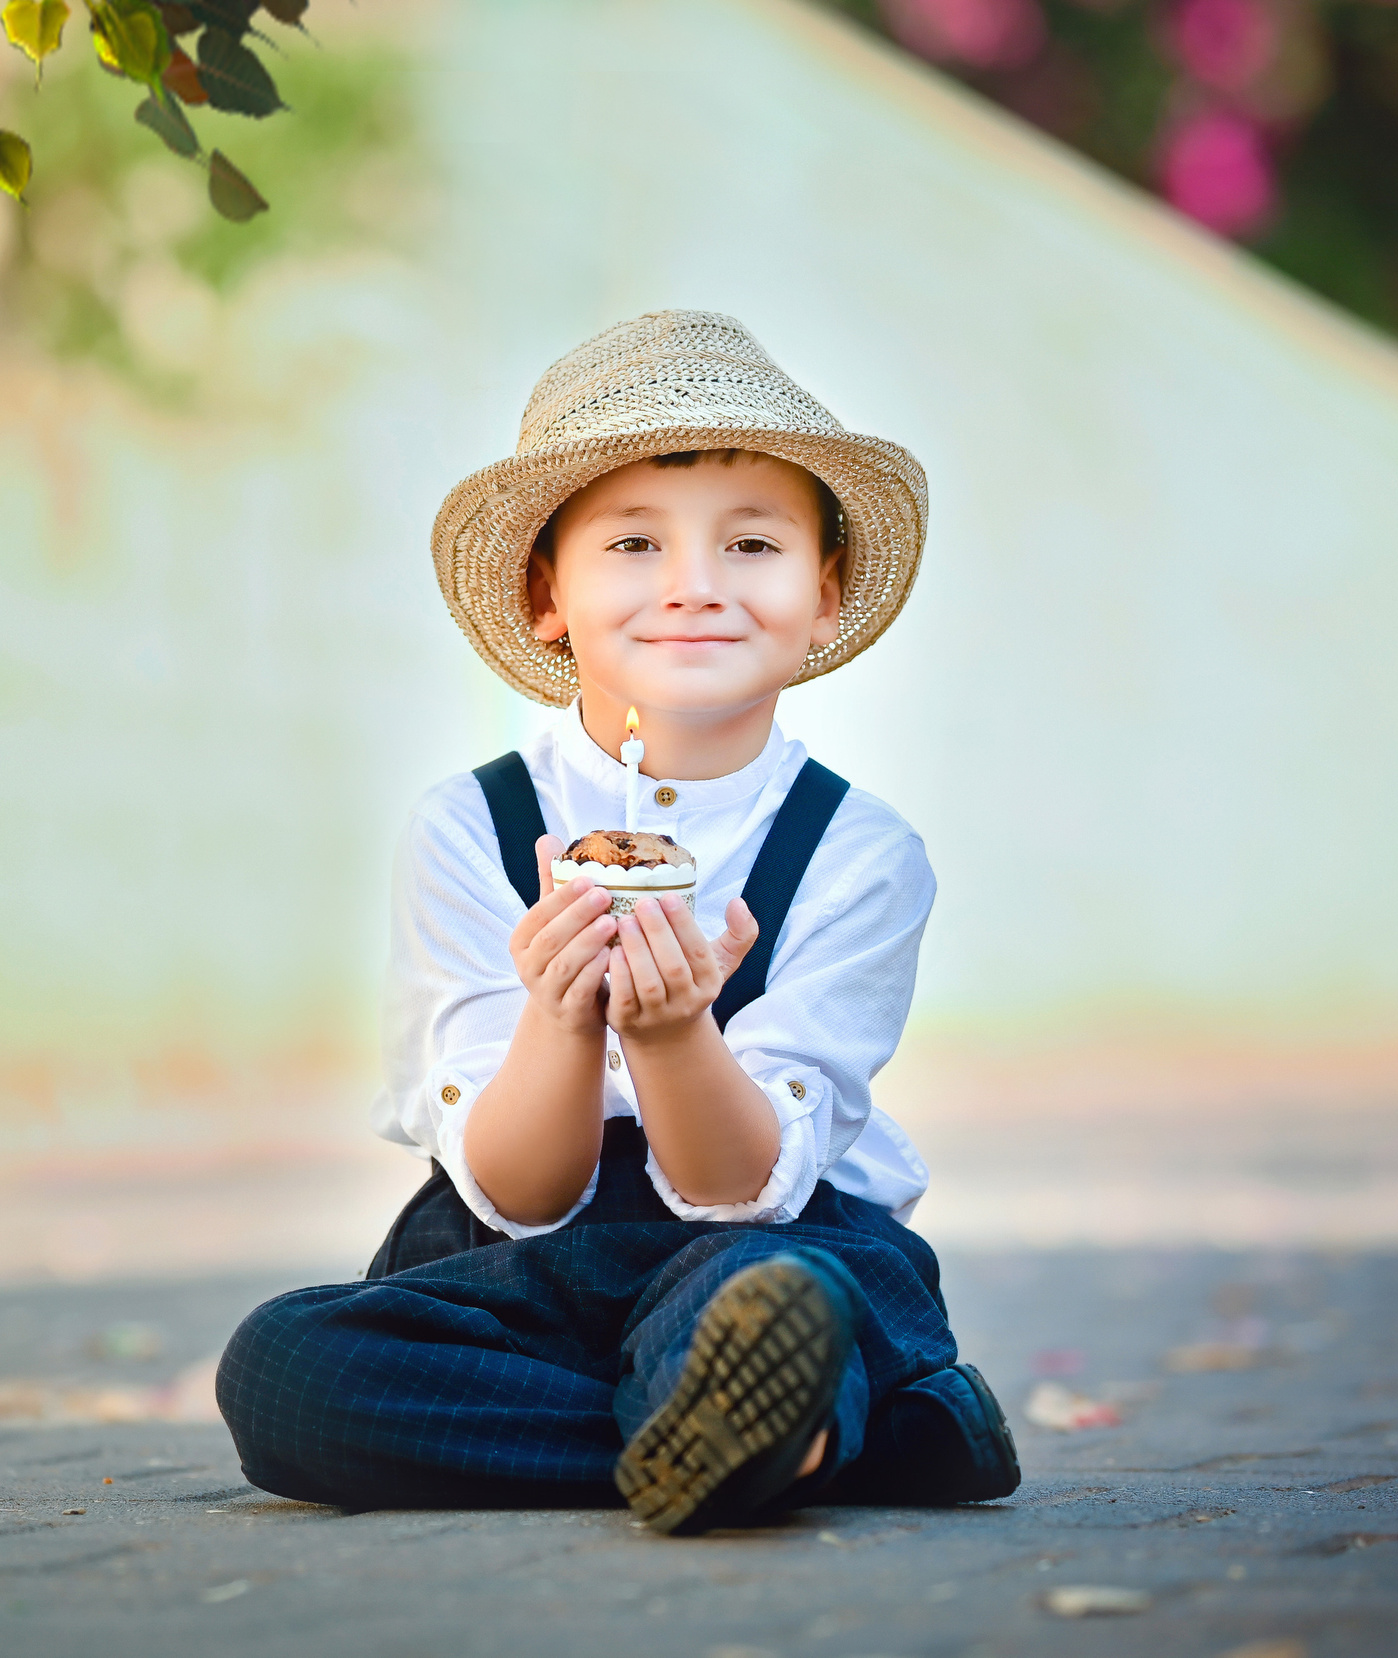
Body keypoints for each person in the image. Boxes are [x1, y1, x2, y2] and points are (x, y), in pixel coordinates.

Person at [216, 311, 1020, 1533]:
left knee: (772, 1295)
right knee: (281, 1367)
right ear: (548, 593)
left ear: (823, 593)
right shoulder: (470, 827)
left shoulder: (855, 849)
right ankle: (801, 1435)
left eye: (751, 544)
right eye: (634, 543)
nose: (694, 585)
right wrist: (559, 1018)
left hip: (757, 1243)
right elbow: (514, 1190)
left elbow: (746, 1185)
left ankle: (757, 1399)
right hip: (521, 1271)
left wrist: (673, 1033)